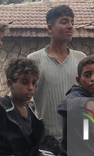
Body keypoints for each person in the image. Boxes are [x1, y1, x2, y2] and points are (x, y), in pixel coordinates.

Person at [28, 5, 86, 138]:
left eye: (72, 22)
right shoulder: (34, 60)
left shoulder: (81, 59)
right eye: (64, 22)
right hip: (47, 139)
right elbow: (24, 98)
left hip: (78, 138)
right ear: (50, 28)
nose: (70, 26)